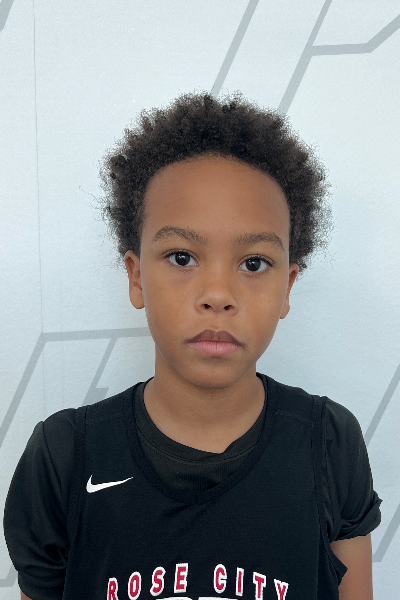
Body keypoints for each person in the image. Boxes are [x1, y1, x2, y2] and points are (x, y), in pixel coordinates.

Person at [4, 91, 382, 600]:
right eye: (182, 257)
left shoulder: (329, 443)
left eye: (254, 263)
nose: (218, 295)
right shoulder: (65, 456)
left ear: (288, 287)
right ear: (136, 277)